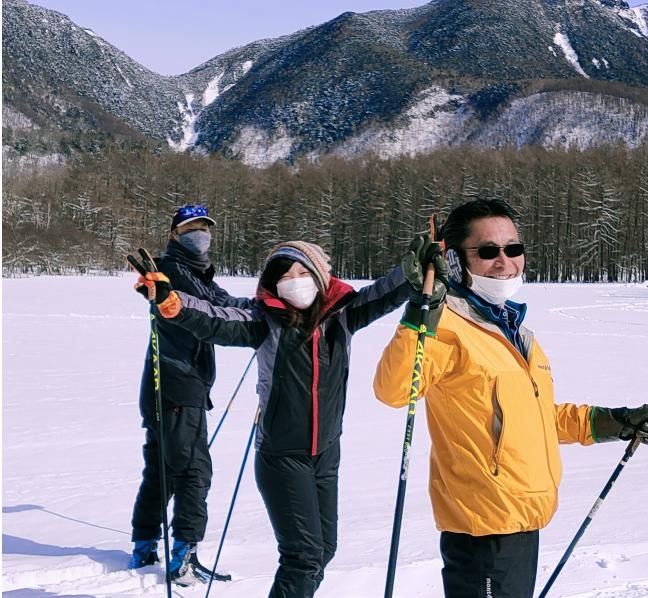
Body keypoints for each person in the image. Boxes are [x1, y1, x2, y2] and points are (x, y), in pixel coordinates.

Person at [373, 199, 648, 598]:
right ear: (457, 261)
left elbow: (534, 419)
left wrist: (613, 422)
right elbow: (393, 389)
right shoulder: (446, 327)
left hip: (522, 521)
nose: (505, 261)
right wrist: (420, 312)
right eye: (488, 251)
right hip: (483, 529)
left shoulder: (516, 333)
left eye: (513, 248)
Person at [133, 238, 434, 597]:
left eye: (303, 271)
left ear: (322, 276)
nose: (294, 279)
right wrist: (172, 302)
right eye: (284, 274)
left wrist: (412, 272)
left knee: (323, 551)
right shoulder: (264, 320)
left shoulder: (343, 314)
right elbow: (214, 319)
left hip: (325, 455)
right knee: (303, 557)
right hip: (282, 457)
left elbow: (384, 292)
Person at [129, 204, 252, 580]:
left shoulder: (194, 273)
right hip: (178, 386)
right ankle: (183, 555)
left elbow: (225, 302)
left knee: (163, 469)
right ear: (174, 234)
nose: (200, 233)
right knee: (193, 471)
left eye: (204, 227)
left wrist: (264, 307)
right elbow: (214, 315)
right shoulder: (172, 272)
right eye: (191, 227)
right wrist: (260, 321)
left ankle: (144, 544)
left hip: (165, 385)